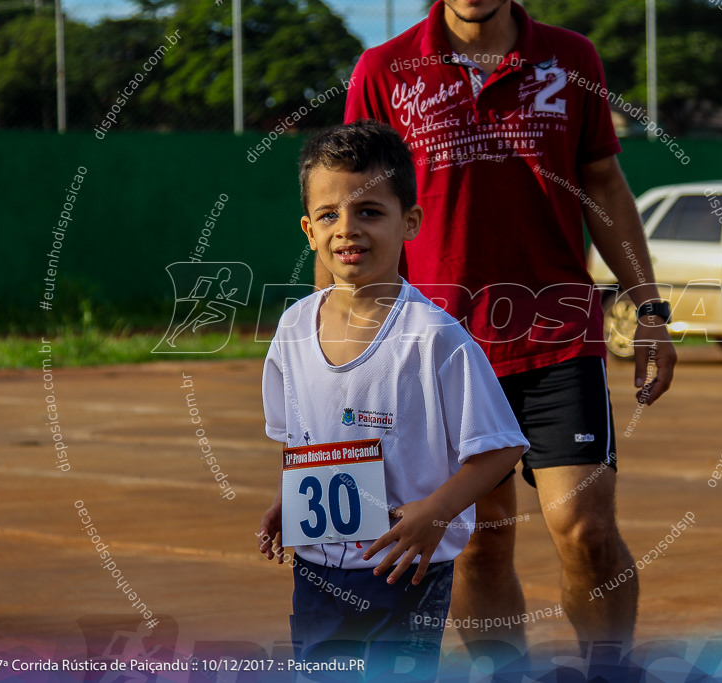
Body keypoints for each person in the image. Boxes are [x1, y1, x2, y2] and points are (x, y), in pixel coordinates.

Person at [337, 0, 677, 652]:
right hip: (442, 349)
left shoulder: (571, 59)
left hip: (557, 334)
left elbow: (603, 184)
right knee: (479, 548)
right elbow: (361, 206)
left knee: (585, 528)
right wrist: (353, 339)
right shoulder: (383, 70)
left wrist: (652, 308)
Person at [257, 120, 528, 679]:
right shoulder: (292, 327)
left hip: (403, 567)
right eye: (329, 215)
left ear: (410, 222)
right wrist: (291, 499)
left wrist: (436, 513)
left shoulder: (437, 339)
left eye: (369, 212)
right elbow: (298, 436)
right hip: (316, 566)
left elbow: (500, 449)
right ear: (308, 229)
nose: (347, 229)